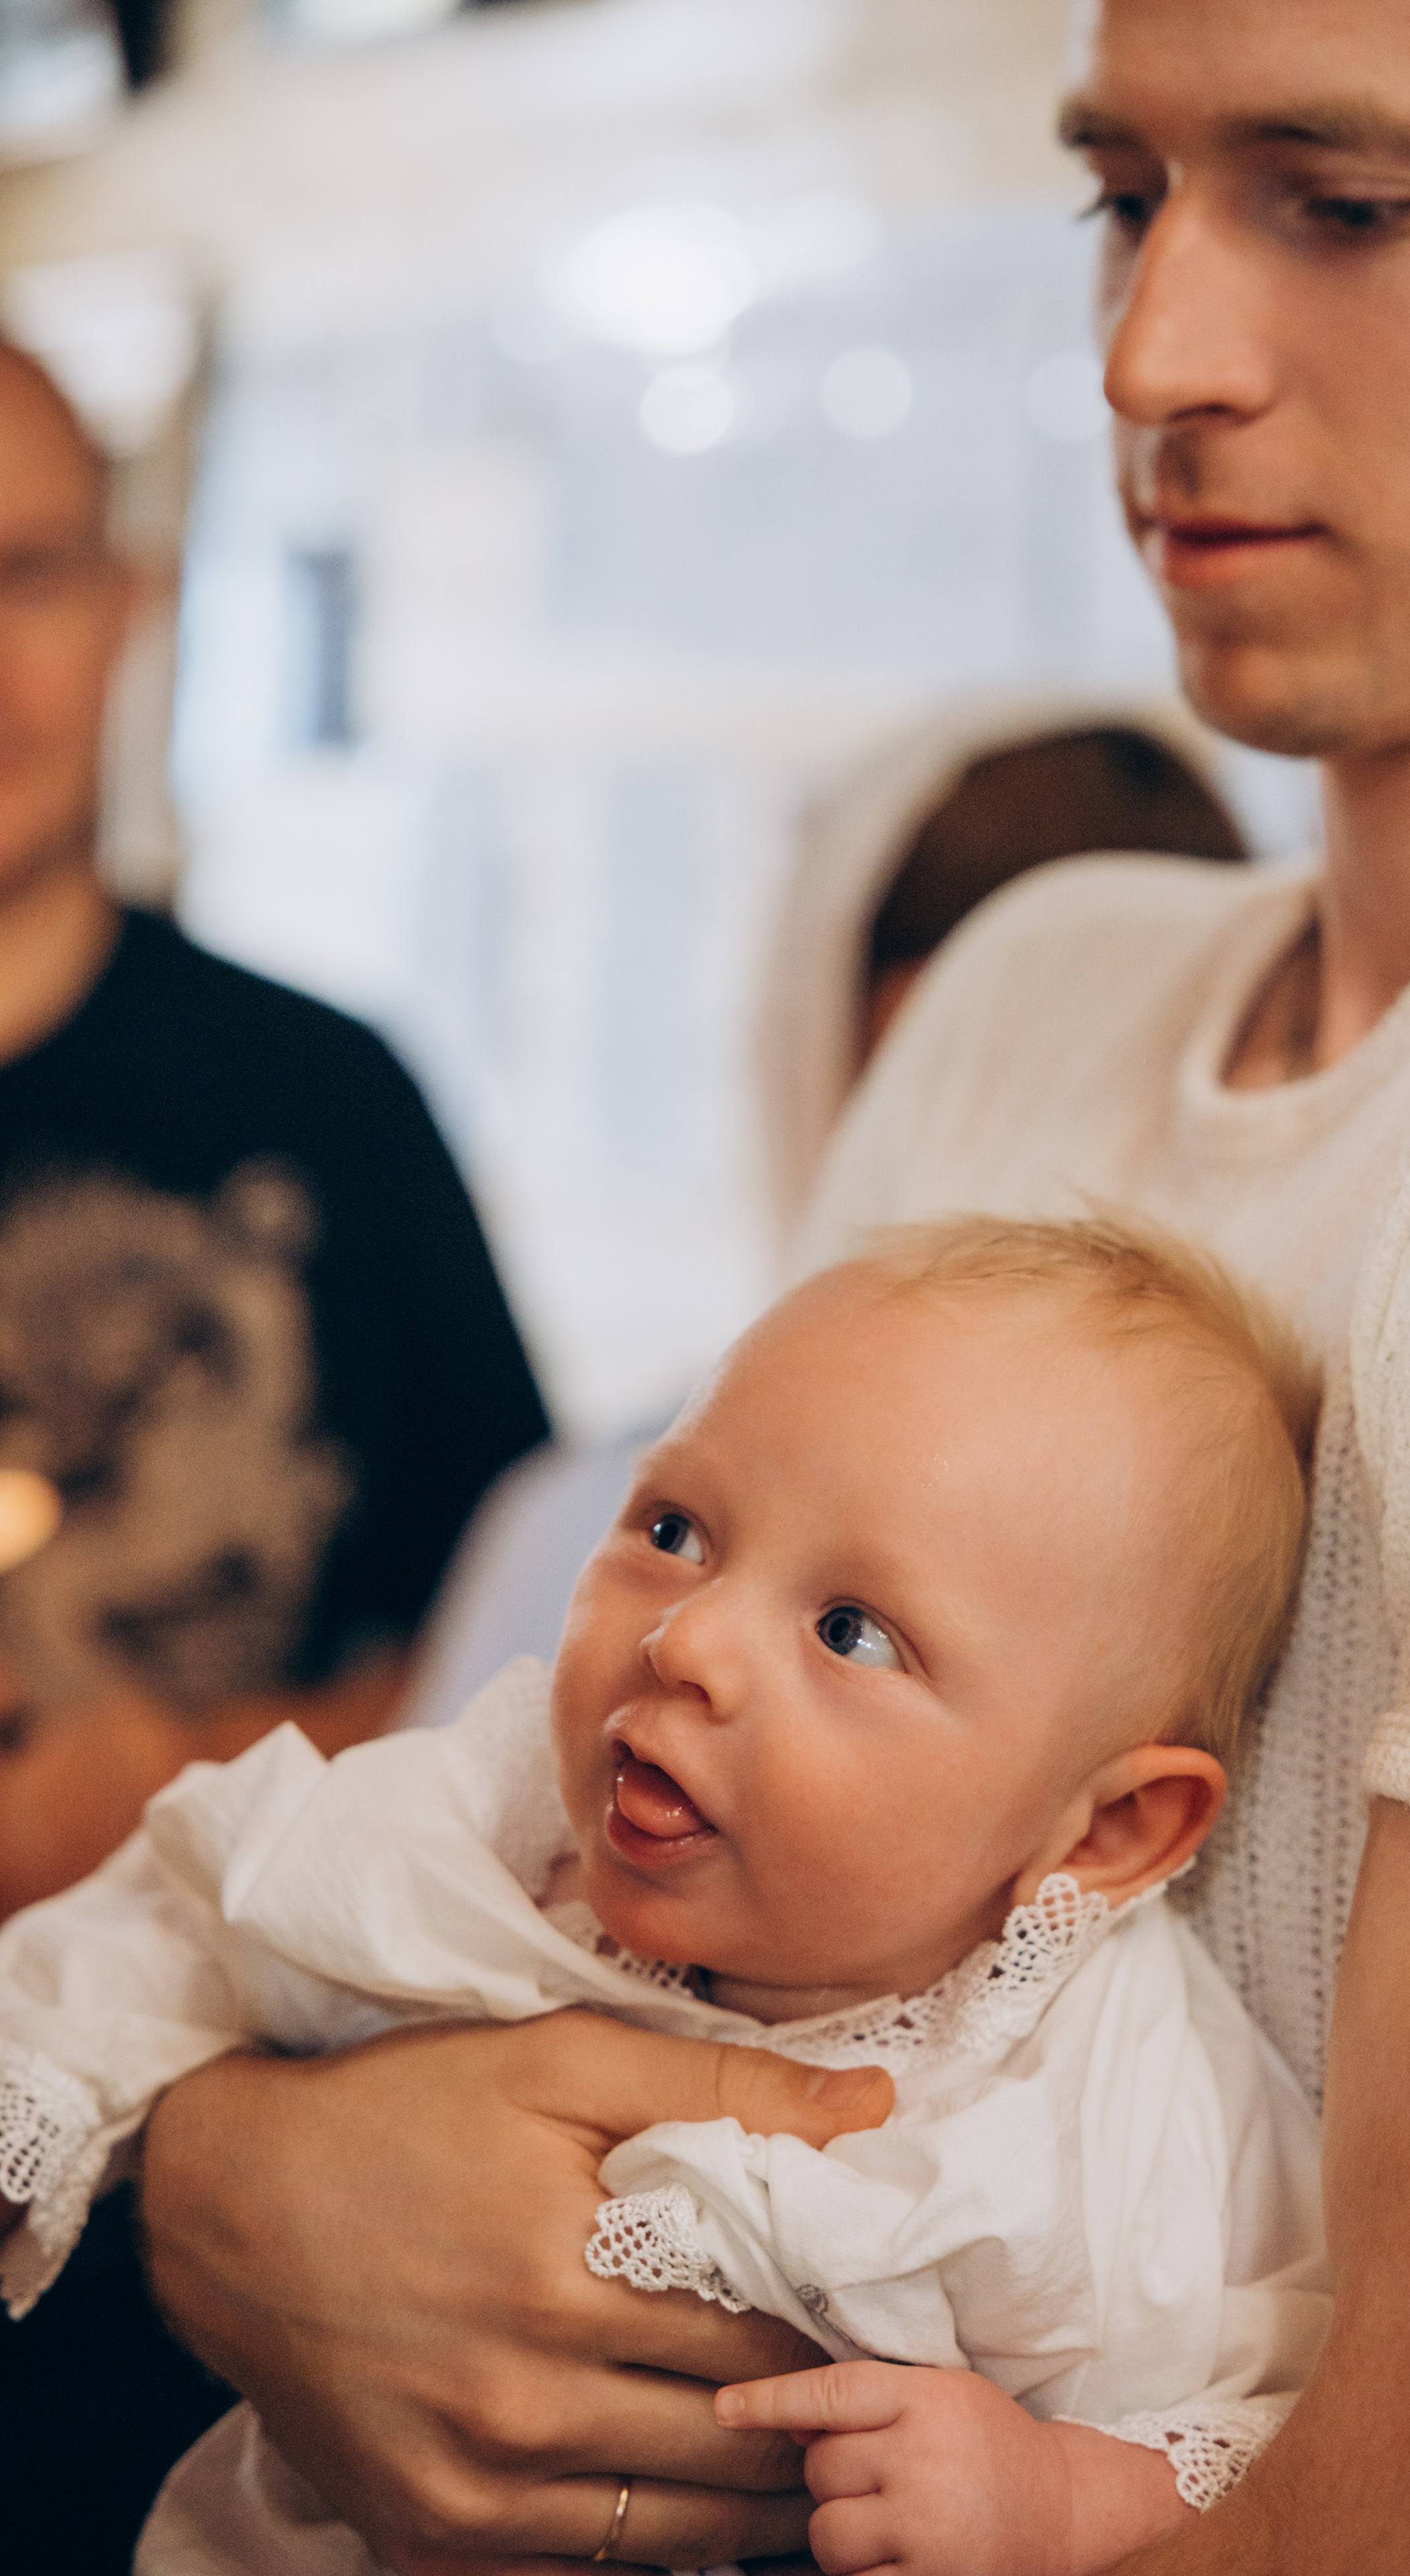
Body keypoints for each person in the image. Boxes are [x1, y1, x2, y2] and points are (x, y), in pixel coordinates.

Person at [105, 1, 1410, 2569]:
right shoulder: (1035, 985)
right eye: (1123, 198)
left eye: (1352, 203)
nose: (1156, 356)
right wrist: (238, 2183)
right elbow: (626, 1847)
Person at [2, 1218, 1328, 2575]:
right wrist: (38, 2094)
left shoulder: (1110, 2090)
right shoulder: (490, 1829)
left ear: (1104, 1830)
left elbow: (1288, 2417)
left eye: (849, 1633)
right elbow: (177, 1916)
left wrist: (1056, 2496)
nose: (682, 1637)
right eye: (674, 1528)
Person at [0, 340, 550, 2556]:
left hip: (193, 2324)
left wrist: (182, 1779)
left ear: (129, 608)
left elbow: (532, 1664)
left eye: (24, 573)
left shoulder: (330, 1105)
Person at [401, 695, 1246, 1735]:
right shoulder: (592, 1536)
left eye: (1097, 1098)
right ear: (820, 1078)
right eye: (941, 1096)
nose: (1027, 1197)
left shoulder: (1261, 1574)